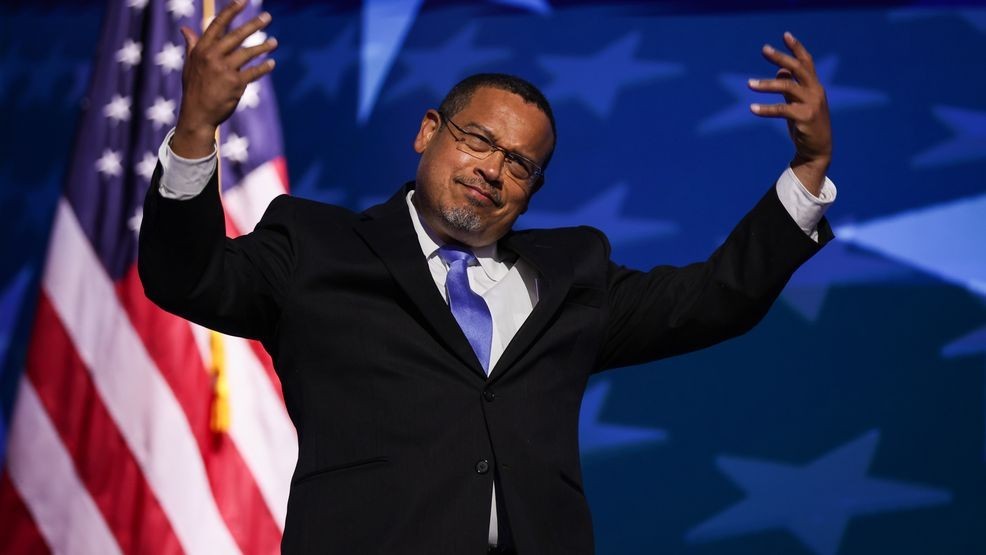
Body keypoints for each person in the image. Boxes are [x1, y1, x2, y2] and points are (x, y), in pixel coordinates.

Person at [138, 1, 836, 553]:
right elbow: (185, 277)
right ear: (428, 132)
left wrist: (808, 170)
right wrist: (196, 130)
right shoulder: (315, 246)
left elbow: (714, 298)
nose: (493, 169)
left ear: (532, 191)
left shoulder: (573, 276)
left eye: (520, 164)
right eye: (477, 139)